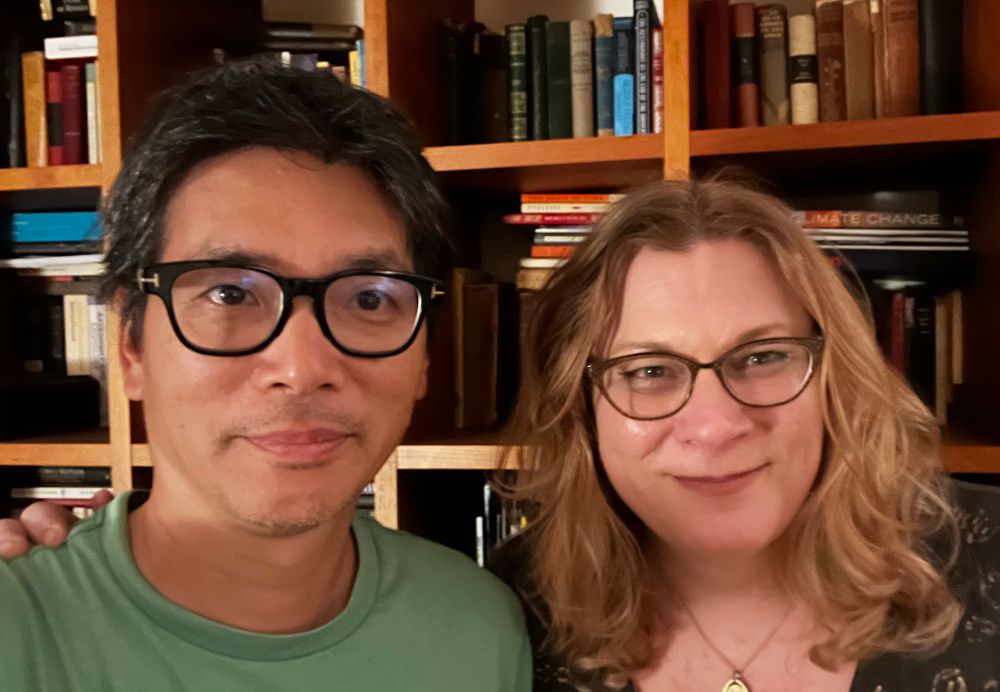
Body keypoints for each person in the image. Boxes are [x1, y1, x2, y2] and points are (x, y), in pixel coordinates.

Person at [0, 60, 531, 691]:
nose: (302, 368)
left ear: (423, 359)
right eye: (229, 294)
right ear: (130, 347)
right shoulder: (19, 629)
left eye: (367, 299)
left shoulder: (478, 629)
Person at [490, 178, 1000, 690]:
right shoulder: (506, 610)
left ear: (836, 375)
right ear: (579, 407)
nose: (715, 427)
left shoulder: (988, 558)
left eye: (763, 357)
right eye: (648, 371)